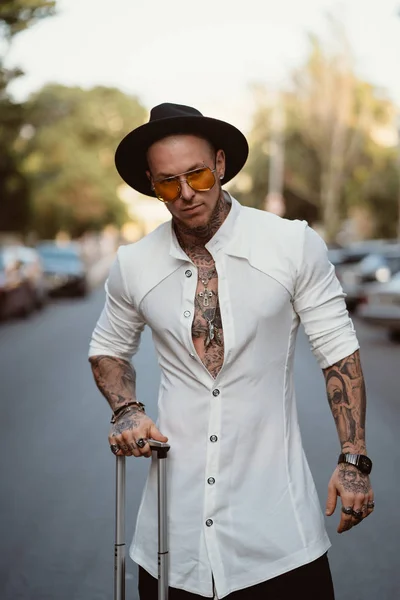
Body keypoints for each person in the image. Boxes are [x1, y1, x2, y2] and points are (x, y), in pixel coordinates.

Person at [88, 102, 374, 599]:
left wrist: (354, 459)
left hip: (279, 534)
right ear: (152, 185)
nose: (184, 195)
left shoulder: (291, 243)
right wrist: (127, 409)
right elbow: (108, 348)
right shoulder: (133, 264)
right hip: (170, 538)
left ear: (219, 164)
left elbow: (338, 352)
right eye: (166, 183)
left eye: (196, 175)